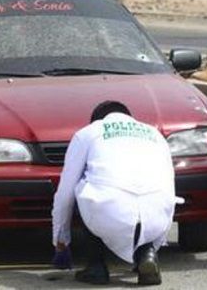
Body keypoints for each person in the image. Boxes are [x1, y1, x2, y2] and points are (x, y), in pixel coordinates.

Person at [51, 101, 177, 285]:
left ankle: (96, 266)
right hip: (157, 214)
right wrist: (157, 243)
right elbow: (169, 188)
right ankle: (146, 255)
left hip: (107, 211)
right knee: (147, 193)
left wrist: (60, 239)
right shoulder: (155, 134)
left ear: (96, 120)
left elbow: (65, 193)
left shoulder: (89, 132)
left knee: (83, 187)